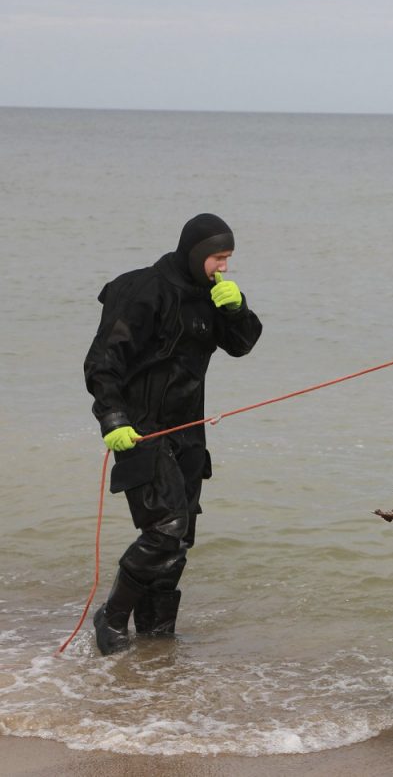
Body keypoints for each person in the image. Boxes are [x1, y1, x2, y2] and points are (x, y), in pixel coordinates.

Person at [84, 213, 263, 655]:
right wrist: (113, 420)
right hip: (140, 431)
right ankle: (111, 616)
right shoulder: (144, 290)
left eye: (228, 258)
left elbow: (241, 345)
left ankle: (156, 637)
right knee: (165, 529)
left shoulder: (211, 295)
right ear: (195, 253)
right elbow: (102, 362)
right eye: (217, 257)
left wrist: (237, 309)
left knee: (181, 540)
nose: (224, 267)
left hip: (189, 432)